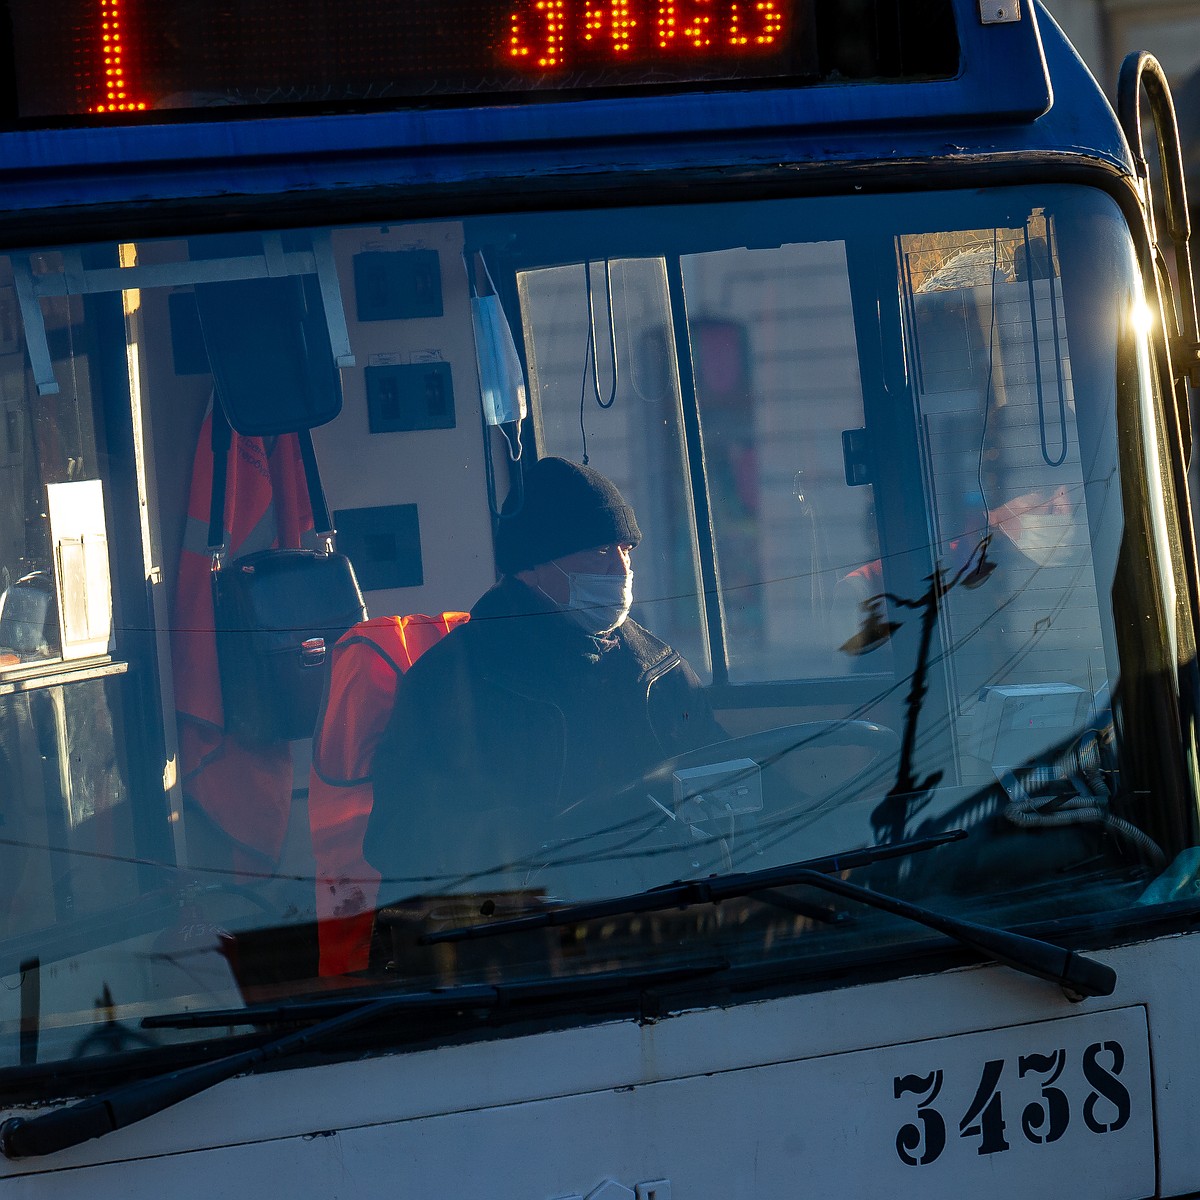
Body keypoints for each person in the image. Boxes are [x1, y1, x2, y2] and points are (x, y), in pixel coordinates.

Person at [362, 456, 724, 896]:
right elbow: (398, 837)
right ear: (532, 565)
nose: (621, 570)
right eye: (600, 551)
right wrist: (540, 836)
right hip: (525, 929)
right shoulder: (452, 682)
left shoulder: (657, 667)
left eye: (625, 550)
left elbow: (727, 772)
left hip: (665, 909)